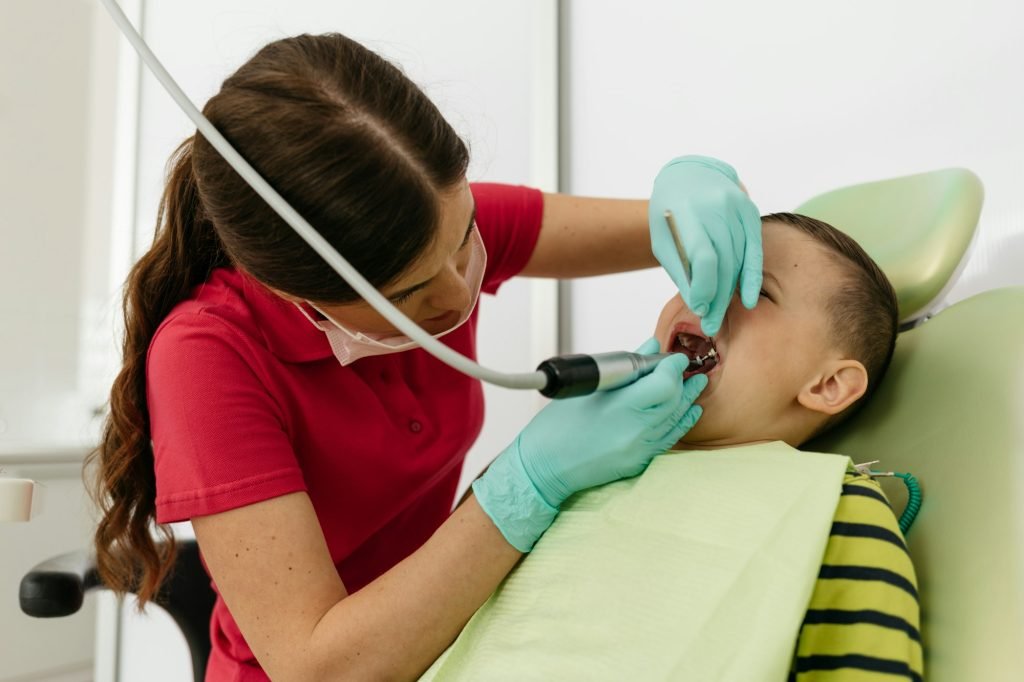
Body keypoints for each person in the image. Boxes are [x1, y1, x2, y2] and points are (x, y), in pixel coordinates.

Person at [88, 32, 762, 681]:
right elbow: (317, 667)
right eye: (407, 293)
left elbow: (665, 224)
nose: (458, 291)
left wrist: (691, 192)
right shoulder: (207, 356)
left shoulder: (424, 222)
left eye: (466, 236)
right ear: (293, 289)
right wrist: (525, 487)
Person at [419, 213, 922, 681]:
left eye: (757, 291)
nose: (705, 298)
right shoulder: (569, 466)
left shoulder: (836, 506)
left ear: (828, 385)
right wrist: (512, 474)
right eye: (706, 275)